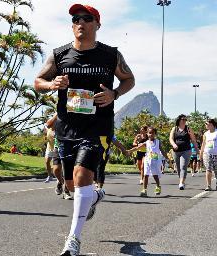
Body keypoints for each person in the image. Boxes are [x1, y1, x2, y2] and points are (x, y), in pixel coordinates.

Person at [34, 4, 135, 255]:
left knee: (81, 175)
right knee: (70, 185)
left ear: (97, 25)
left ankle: (73, 240)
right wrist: (52, 84)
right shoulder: (59, 55)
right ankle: (95, 196)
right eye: (76, 18)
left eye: (86, 18)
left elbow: (129, 79)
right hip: (67, 127)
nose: (80, 22)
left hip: (97, 126)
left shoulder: (111, 55)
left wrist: (114, 93)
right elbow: (38, 81)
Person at [128, 127, 168, 197]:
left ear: (155, 134)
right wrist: (129, 151)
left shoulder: (158, 142)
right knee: (146, 175)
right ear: (147, 133)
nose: (151, 134)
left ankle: (158, 186)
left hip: (155, 161)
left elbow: (162, 151)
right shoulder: (146, 143)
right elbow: (137, 148)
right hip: (147, 160)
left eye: (152, 133)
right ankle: (144, 190)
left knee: (155, 176)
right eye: (149, 133)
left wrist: (167, 157)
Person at [169, 114, 198, 190]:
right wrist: (174, 144)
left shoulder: (188, 128)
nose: (184, 121)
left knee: (183, 166)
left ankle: (181, 183)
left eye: (185, 120)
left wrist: (197, 149)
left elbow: (193, 140)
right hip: (176, 151)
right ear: (179, 120)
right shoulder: (174, 129)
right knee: (178, 168)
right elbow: (171, 139)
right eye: (183, 119)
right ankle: (182, 181)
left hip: (186, 150)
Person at [199, 119, 217, 191]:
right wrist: (201, 154)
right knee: (208, 169)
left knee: (216, 170)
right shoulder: (206, 134)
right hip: (207, 153)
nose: (205, 125)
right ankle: (208, 186)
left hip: (216, 153)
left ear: (211, 124)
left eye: (206, 123)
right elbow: (203, 144)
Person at [43, 116, 56, 182]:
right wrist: (45, 137)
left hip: (57, 148)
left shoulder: (58, 129)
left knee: (57, 165)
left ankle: (59, 176)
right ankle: (50, 175)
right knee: (47, 161)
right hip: (49, 148)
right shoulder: (48, 129)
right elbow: (46, 135)